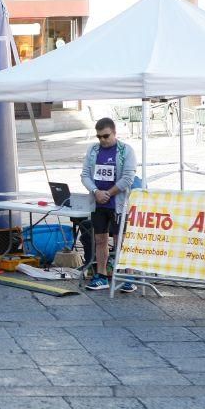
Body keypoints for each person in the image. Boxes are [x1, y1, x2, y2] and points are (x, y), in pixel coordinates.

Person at [80, 117, 138, 292]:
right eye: (99, 137)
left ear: (114, 133)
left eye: (106, 136)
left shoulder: (126, 150)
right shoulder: (93, 150)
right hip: (98, 203)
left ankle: (129, 276)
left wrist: (109, 193)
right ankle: (102, 275)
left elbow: (128, 178)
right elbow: (84, 175)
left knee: (120, 240)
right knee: (100, 239)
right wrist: (96, 192)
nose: (103, 140)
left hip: (117, 203)